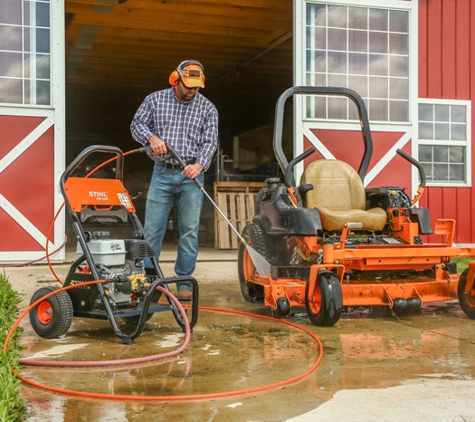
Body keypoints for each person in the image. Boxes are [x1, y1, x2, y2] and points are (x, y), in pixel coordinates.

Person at [130, 60, 218, 301]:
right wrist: (151, 138)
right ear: (175, 79)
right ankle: (150, 280)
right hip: (162, 172)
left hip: (192, 173)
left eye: (197, 87)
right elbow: (136, 124)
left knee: (189, 230)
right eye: (189, 86)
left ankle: (183, 280)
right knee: (152, 230)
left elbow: (210, 142)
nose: (193, 91)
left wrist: (199, 165)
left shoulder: (208, 108)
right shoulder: (155, 100)